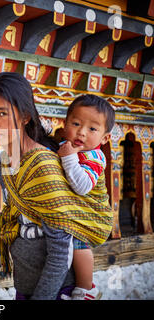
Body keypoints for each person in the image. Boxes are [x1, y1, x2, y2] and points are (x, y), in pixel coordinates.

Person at [0, 72, 113, 300]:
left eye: (3, 114)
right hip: (27, 286)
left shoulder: (42, 165)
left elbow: (61, 251)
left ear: (25, 116)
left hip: (57, 291)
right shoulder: (6, 161)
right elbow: (17, 217)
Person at [57, 94, 115, 300]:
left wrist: (69, 158)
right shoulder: (67, 146)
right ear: (65, 124)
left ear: (105, 138)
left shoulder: (94, 157)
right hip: (75, 212)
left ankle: (86, 288)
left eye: (92, 129)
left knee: (79, 245)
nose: (81, 132)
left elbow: (82, 186)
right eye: (76, 123)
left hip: (93, 214)